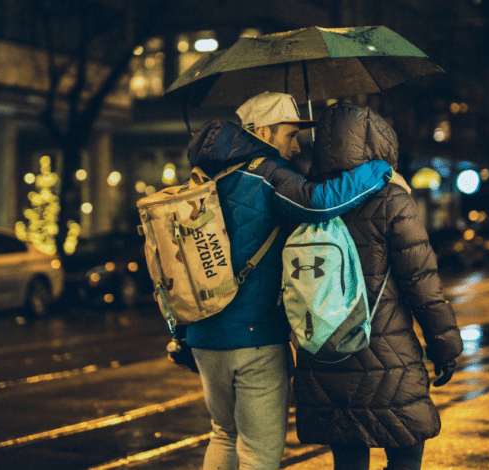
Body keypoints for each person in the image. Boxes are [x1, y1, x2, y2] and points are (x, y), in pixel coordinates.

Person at [181, 91, 401, 470]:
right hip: (253, 338)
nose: (296, 145)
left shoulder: (205, 177)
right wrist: (379, 170)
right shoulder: (264, 174)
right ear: (263, 131)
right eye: (289, 133)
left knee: (224, 434)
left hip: (203, 337)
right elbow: (320, 203)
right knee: (258, 454)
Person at [293, 102, 464, 470]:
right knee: (406, 452)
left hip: (325, 354)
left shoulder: (305, 203)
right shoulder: (392, 202)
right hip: (388, 357)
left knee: (348, 459)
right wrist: (445, 346)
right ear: (378, 147)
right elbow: (422, 284)